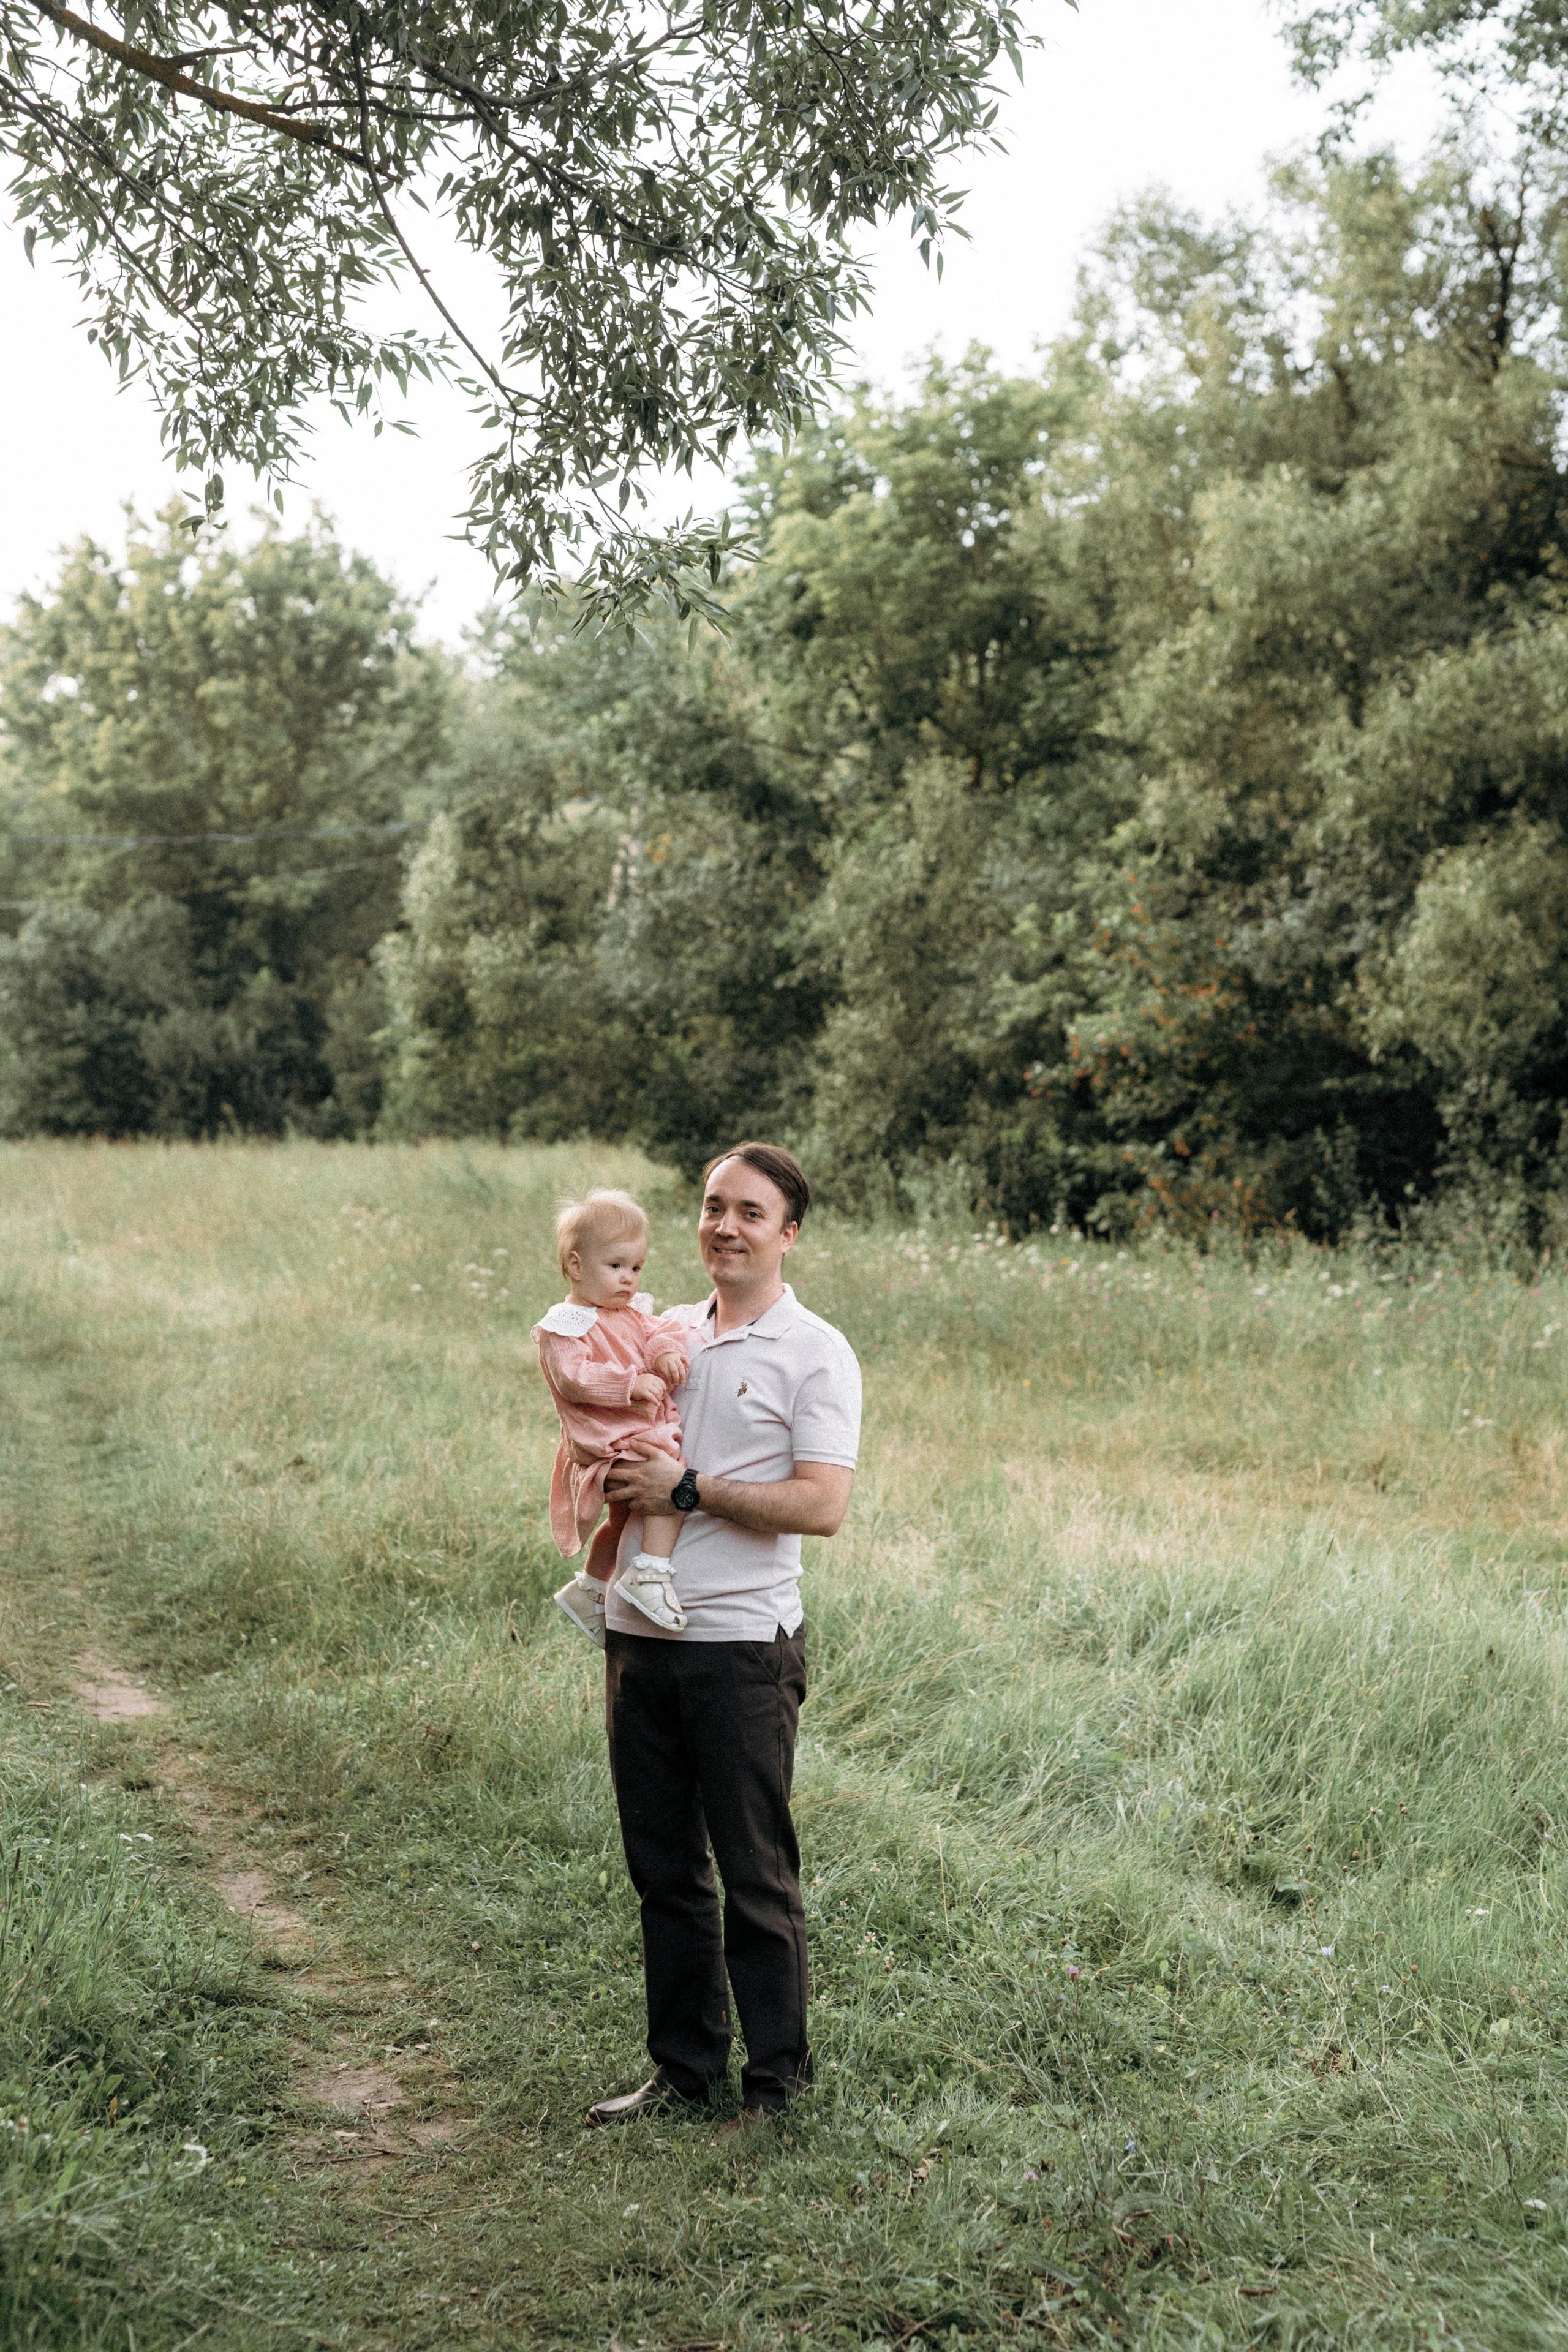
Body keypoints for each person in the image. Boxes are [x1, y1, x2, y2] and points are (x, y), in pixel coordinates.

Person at [584, 1142, 861, 2142]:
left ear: (789, 1234)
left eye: (750, 1211)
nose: (725, 1227)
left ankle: (776, 2089)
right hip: (637, 1631)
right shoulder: (658, 1332)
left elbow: (822, 1505)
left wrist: (687, 1491)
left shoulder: (814, 1351)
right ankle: (686, 2068)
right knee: (663, 1868)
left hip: (740, 1646)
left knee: (754, 1873)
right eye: (712, 1207)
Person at [533, 1190, 694, 1644]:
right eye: (616, 1266)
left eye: (637, 1268)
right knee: (672, 1488)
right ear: (576, 1266)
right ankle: (651, 1573)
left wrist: (664, 1354)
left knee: (623, 1522)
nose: (629, 1280)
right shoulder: (564, 1325)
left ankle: (589, 1589)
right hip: (608, 1439)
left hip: (631, 1432)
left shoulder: (629, 1314)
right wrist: (629, 1385)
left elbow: (662, 1331)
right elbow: (574, 1378)